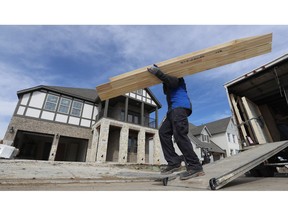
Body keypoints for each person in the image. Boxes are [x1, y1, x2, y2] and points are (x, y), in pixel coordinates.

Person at [147, 64, 204, 180]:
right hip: (172, 110)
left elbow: (171, 82)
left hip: (180, 108)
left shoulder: (177, 76)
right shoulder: (167, 82)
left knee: (180, 136)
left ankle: (195, 166)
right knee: (163, 132)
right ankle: (174, 162)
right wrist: (161, 76)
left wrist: (158, 72)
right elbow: (166, 89)